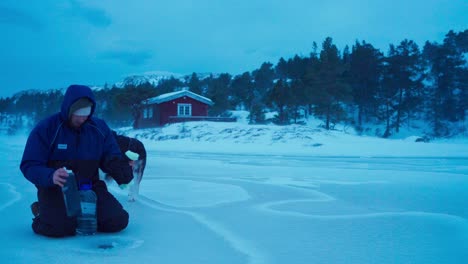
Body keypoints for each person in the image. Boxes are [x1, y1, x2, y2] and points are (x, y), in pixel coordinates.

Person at [20, 84, 133, 238]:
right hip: (57, 188)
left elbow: (111, 154)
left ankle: (71, 214)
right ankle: (42, 210)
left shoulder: (99, 128)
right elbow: (29, 164)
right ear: (68, 109)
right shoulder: (47, 128)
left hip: (90, 187)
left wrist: (121, 169)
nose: (81, 119)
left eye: (86, 115)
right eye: (77, 115)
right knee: (58, 228)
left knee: (117, 221)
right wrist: (50, 176)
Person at [111, 130, 147, 202]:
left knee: (136, 175)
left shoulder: (116, 142)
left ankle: (133, 196)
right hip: (127, 151)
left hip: (137, 150)